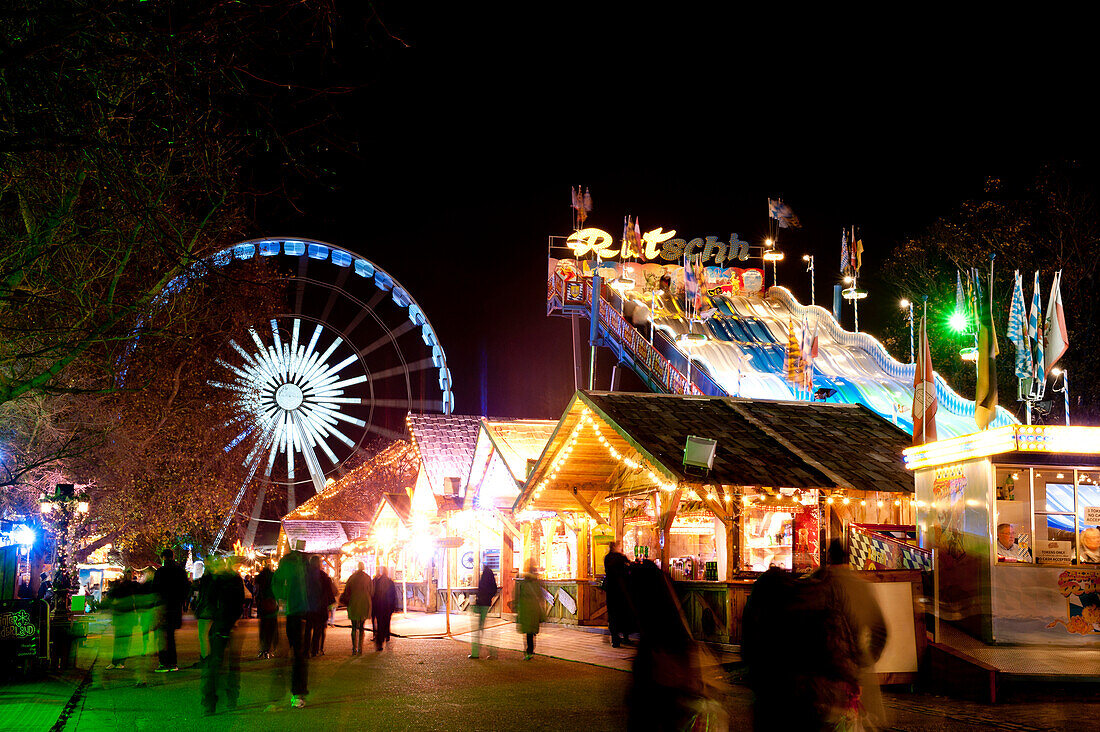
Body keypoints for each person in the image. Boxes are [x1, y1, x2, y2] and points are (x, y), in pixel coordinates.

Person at [201, 556, 245, 716]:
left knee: (214, 663)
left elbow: (209, 601)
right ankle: (232, 698)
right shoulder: (235, 579)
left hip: (219, 625)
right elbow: (240, 602)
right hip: (230, 625)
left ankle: (210, 701)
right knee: (232, 664)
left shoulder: (215, 581)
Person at [273, 540, 311, 709]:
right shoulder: (306, 563)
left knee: (297, 652)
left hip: (295, 611)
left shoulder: (289, 562)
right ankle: (298, 691)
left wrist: (282, 599)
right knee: (300, 653)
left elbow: (277, 581)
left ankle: (294, 691)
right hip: (305, 611)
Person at [153, 548, 190, 672]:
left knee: (163, 637)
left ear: (163, 557)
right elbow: (185, 588)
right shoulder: (180, 571)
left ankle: (164, 663)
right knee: (171, 636)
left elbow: (155, 590)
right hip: (175, 607)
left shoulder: (160, 572)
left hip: (163, 607)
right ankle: (173, 663)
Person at [603, 541, 631, 648]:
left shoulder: (607, 558)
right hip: (621, 589)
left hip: (611, 590)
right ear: (616, 547)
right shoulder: (620, 557)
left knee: (613, 614)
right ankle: (625, 637)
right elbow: (629, 567)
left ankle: (615, 639)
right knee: (624, 613)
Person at [191, 557, 218, 668]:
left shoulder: (206, 578)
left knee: (203, 635)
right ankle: (209, 657)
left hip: (206, 610)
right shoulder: (216, 577)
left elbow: (203, 595)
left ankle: (205, 658)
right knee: (209, 635)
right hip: (212, 609)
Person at [340, 562, 372, 655]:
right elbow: (371, 591)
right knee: (362, 627)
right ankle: (360, 648)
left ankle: (354, 648)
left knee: (354, 627)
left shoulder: (352, 577)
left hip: (353, 604)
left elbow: (347, 591)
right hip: (364, 604)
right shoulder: (367, 578)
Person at [306, 555, 334, 656]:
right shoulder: (323, 576)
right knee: (318, 630)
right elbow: (328, 591)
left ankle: (306, 650)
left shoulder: (306, 575)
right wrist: (330, 604)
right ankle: (315, 650)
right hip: (320, 607)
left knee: (308, 629)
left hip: (308, 607)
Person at [515, 562, 543, 660]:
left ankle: (528, 651)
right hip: (534, 609)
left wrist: (516, 607)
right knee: (531, 632)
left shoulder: (522, 583)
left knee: (527, 632)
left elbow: (517, 596)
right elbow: (540, 595)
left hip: (525, 608)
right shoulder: (537, 582)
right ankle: (530, 650)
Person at [469, 564, 497, 659]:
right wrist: (489, 597)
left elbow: (483, 589)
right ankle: (487, 652)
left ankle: (476, 653)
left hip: (481, 603)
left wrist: (481, 597)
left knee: (479, 628)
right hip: (485, 602)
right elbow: (494, 589)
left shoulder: (485, 575)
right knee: (480, 627)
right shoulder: (489, 575)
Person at [254, 559, 279, 658]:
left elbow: (256, 591)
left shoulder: (259, 577)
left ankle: (263, 649)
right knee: (272, 628)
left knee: (263, 628)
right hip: (272, 605)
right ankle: (269, 649)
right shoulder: (273, 576)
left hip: (262, 605)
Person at [371, 565, 398, 651]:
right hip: (388, 606)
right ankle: (387, 635)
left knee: (380, 624)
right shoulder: (390, 582)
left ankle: (380, 642)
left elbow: (374, 595)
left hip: (379, 606)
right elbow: (394, 595)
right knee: (387, 621)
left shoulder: (378, 582)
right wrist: (394, 606)